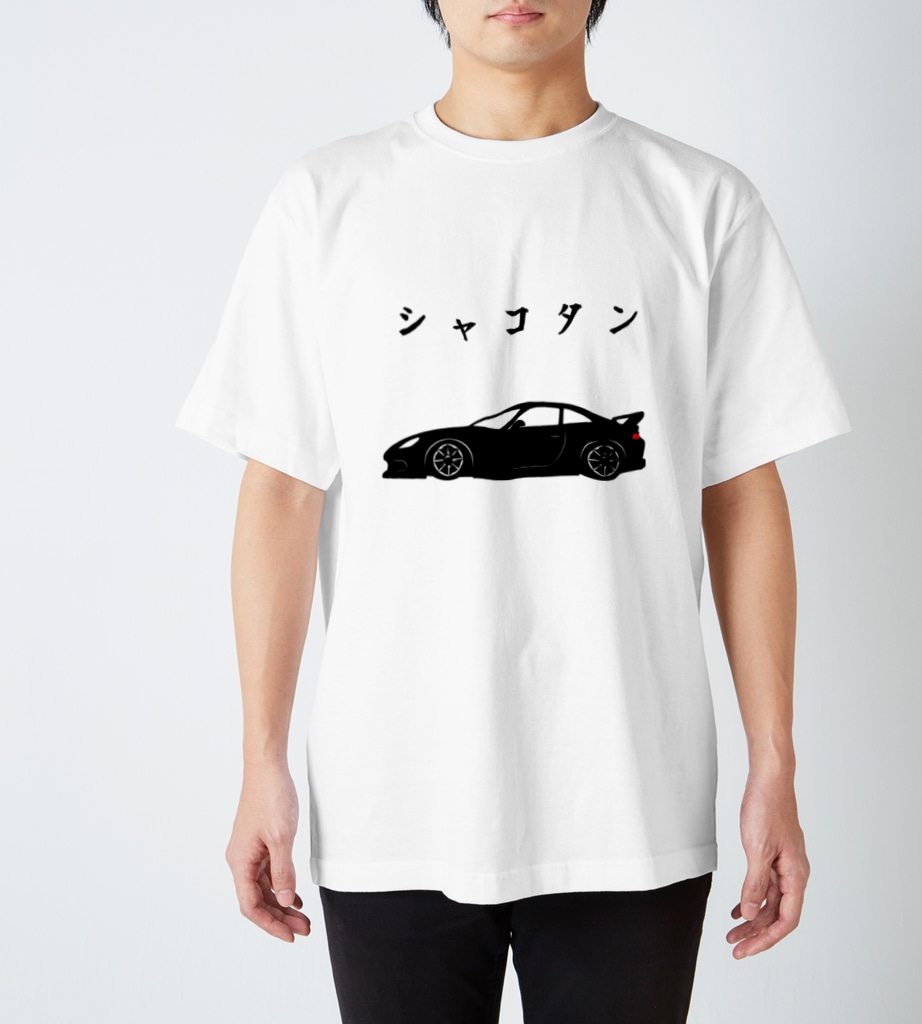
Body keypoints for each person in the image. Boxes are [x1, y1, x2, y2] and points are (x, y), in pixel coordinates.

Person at [175, 1, 851, 1019]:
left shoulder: (703, 203)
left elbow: (742, 491)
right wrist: (258, 762)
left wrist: (776, 765)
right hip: (392, 798)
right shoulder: (326, 200)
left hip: (631, 800)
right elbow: (279, 490)